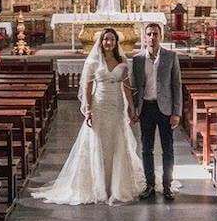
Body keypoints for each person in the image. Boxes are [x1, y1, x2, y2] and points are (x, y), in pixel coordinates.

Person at [31, 29, 145, 205]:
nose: (109, 42)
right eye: (106, 39)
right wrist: (88, 109)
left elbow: (127, 86)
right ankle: (98, 184)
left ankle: (117, 185)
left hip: (116, 105)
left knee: (117, 139)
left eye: (112, 39)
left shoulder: (122, 60)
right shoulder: (93, 61)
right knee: (98, 140)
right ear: (101, 42)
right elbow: (87, 87)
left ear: (116, 42)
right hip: (100, 104)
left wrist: (131, 107)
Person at [132, 23, 182, 201]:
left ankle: (167, 185)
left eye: (155, 34)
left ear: (161, 36)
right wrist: (134, 109)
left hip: (165, 109)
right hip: (146, 108)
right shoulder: (137, 59)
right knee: (147, 149)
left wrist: (177, 112)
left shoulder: (170, 56)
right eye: (149, 34)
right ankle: (150, 184)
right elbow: (135, 87)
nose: (152, 37)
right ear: (144, 37)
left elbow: (176, 86)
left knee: (168, 149)